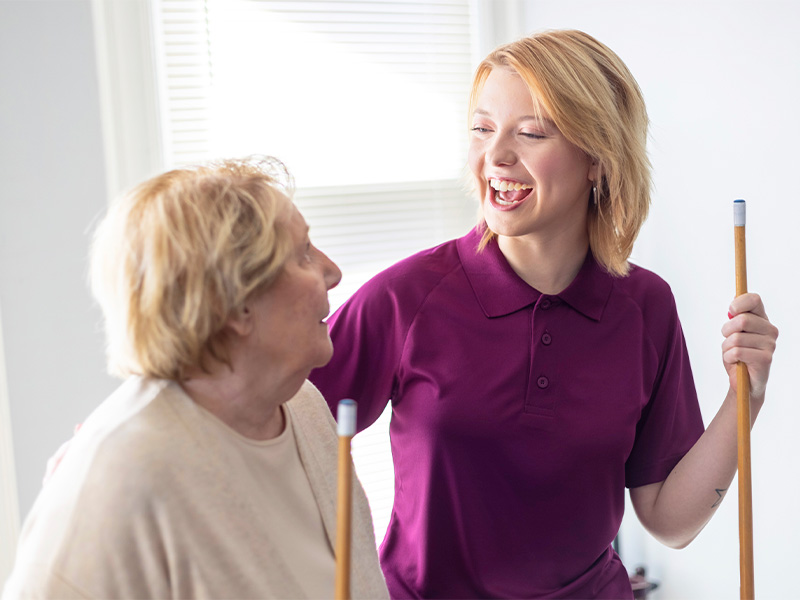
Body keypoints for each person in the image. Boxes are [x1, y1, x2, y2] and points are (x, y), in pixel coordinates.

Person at [309, 29, 779, 599]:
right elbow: (277, 437)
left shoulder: (645, 307)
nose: (496, 157)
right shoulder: (403, 298)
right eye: (482, 129)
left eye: (530, 133)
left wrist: (744, 399)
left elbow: (669, 520)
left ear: (599, 161)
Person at [3, 158, 389, 599]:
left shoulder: (302, 405)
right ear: (235, 303)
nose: (331, 271)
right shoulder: (119, 472)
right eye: (302, 253)